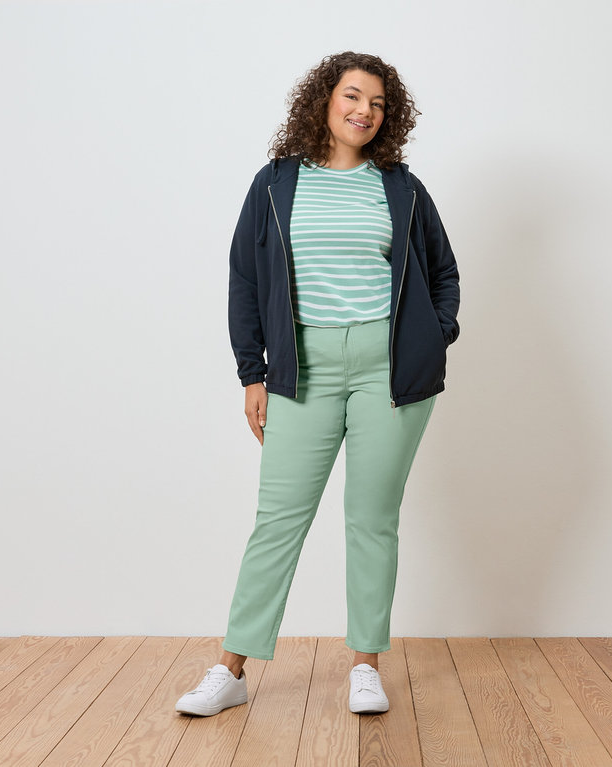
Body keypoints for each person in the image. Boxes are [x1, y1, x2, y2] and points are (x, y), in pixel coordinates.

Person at [176, 51, 460, 717]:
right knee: (278, 520)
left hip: (389, 370)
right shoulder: (276, 183)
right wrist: (253, 370)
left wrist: (431, 332)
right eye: (353, 96)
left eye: (378, 104)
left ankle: (365, 663)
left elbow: (442, 271)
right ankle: (232, 667)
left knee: (371, 520)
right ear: (324, 101)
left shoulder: (401, 187)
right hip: (301, 369)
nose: (365, 110)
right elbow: (244, 279)